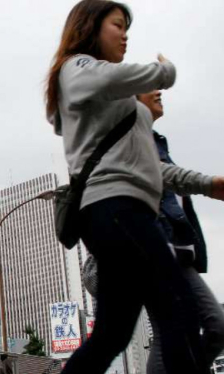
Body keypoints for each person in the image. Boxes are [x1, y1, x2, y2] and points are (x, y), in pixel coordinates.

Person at [45, 1, 208, 373]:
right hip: (116, 209)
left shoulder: (116, 103)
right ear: (90, 27)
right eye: (118, 25)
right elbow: (107, 79)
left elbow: (154, 167)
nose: (126, 34)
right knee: (179, 307)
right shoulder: (77, 67)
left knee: (112, 335)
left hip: (120, 212)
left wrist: (207, 184)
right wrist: (164, 72)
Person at [136, 90, 224, 374]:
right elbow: (163, 176)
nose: (159, 91)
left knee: (207, 327)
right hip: (154, 247)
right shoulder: (132, 138)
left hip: (174, 248)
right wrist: (207, 184)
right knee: (194, 328)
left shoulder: (155, 139)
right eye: (150, 85)